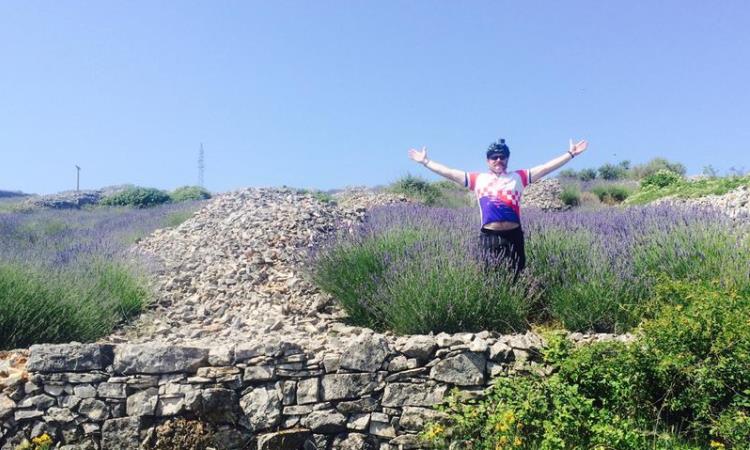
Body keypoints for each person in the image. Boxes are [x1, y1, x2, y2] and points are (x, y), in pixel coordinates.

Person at [408, 138, 589, 277]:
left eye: (502, 157)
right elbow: (449, 173)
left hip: (514, 235)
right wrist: (425, 162)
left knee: (517, 275)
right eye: (494, 157)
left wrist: (570, 154)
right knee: (489, 275)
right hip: (489, 235)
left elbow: (546, 168)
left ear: (507, 159)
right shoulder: (477, 179)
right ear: (488, 161)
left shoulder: (519, 177)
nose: (498, 160)